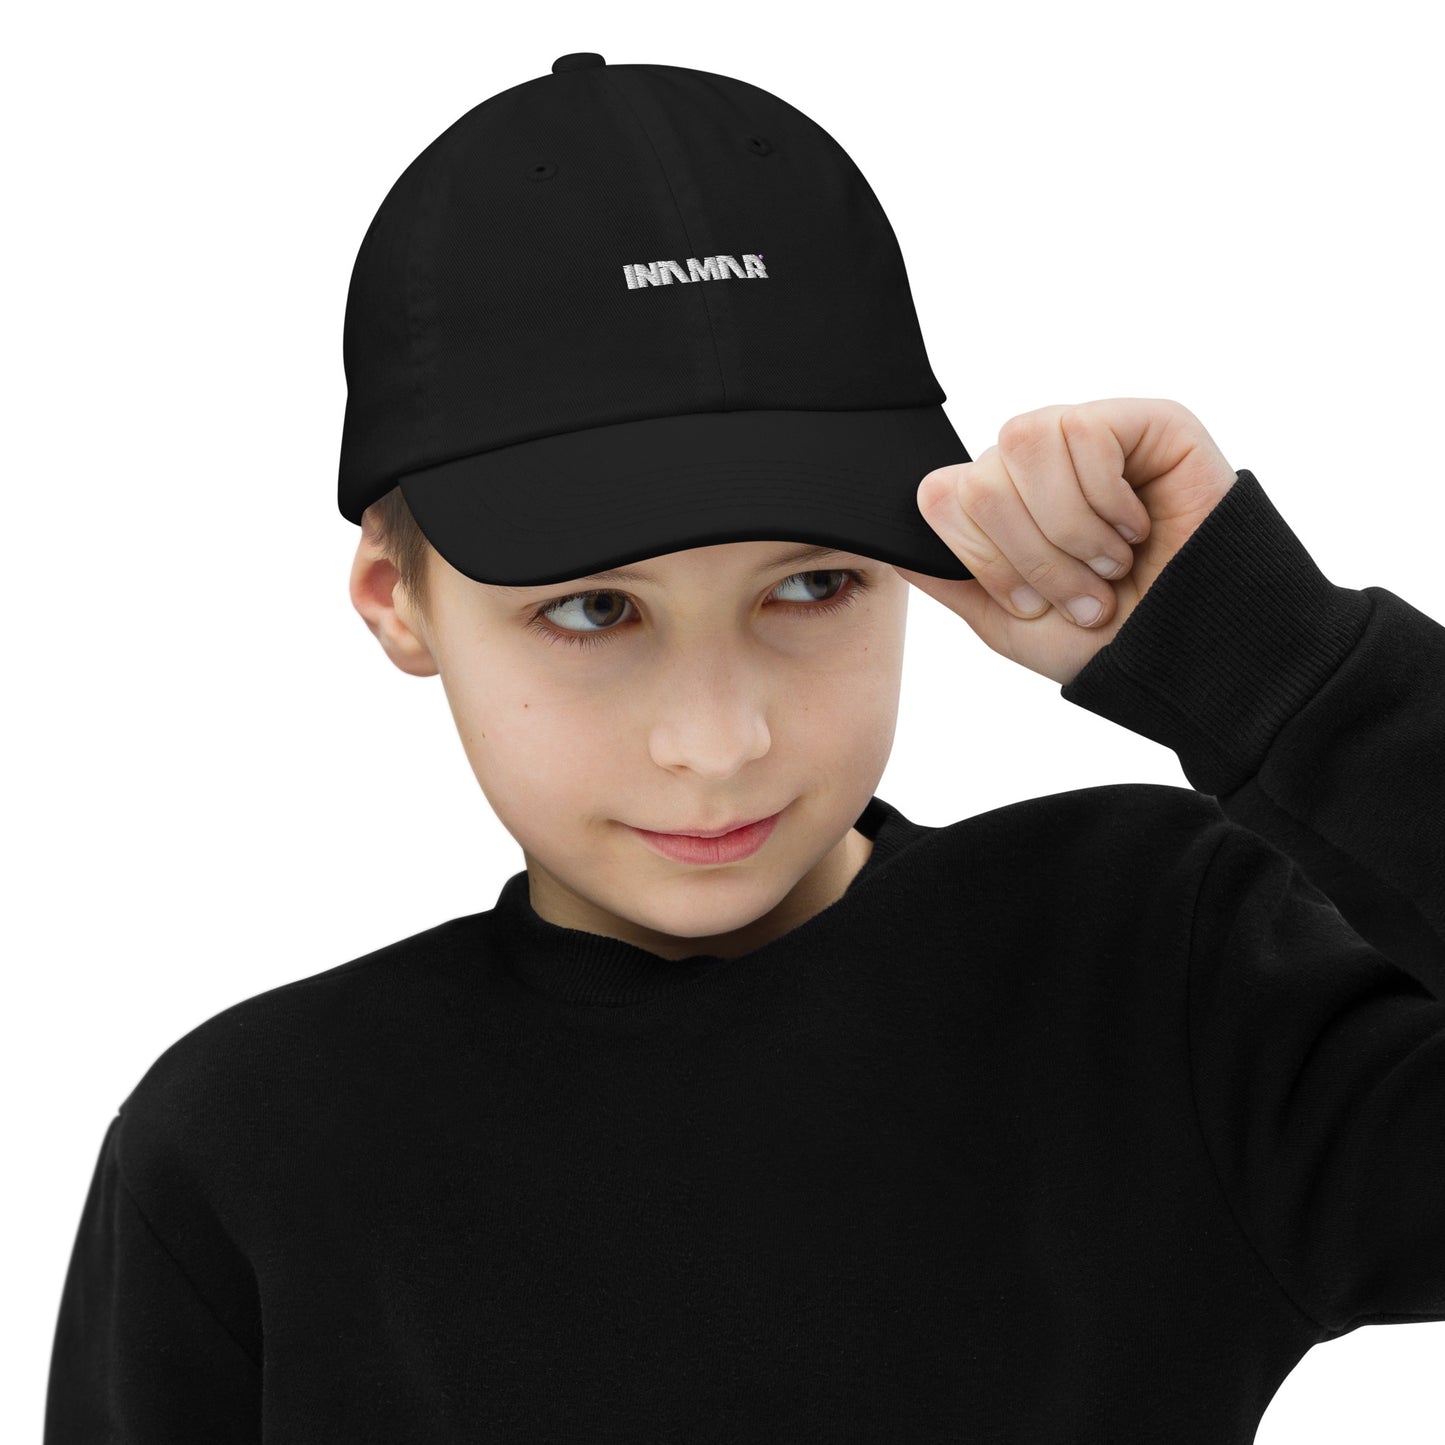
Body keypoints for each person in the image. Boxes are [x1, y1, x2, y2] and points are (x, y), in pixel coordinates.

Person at [43, 52, 1444, 1444]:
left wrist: (1268, 664)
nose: (718, 743)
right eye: (593, 609)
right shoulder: (249, 1154)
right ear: (395, 600)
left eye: (812, 585)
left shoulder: (1159, 975)